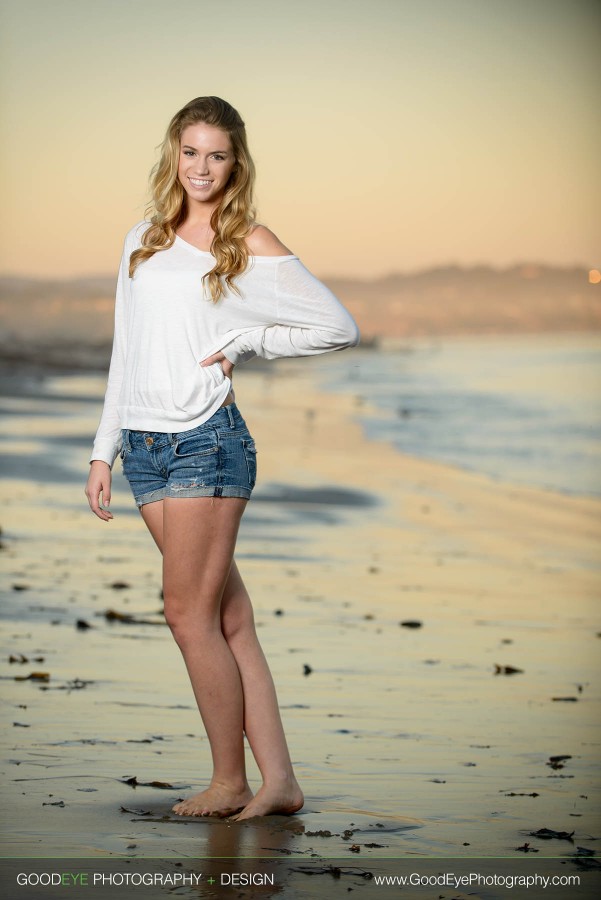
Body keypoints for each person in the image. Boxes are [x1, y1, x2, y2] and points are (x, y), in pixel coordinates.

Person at [85, 96, 359, 820]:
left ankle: (230, 782)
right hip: (144, 450)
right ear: (172, 153)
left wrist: (246, 341)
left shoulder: (249, 243)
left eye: (216, 154)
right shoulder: (140, 239)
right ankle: (281, 784)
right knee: (225, 617)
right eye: (190, 152)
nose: (201, 167)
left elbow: (336, 326)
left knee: (186, 614)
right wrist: (102, 451)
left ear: (235, 161)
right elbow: (125, 350)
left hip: (208, 440)